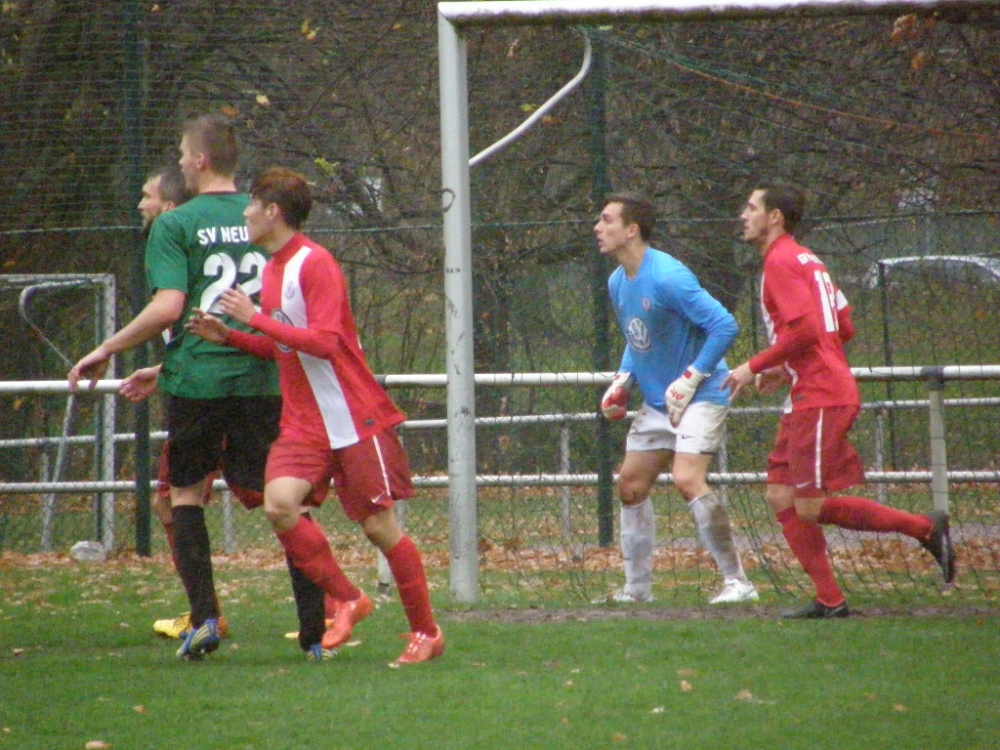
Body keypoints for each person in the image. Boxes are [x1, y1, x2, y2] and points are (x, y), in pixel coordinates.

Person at [69, 115, 329, 660]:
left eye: (184, 155)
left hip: (200, 383)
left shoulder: (176, 223)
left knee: (185, 494)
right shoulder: (265, 216)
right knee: (288, 502)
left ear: (200, 161)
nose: (181, 163)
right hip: (264, 378)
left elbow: (170, 306)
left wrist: (107, 349)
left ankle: (206, 619)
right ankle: (316, 632)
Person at [185, 166, 444, 665]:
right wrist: (234, 337)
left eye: (252, 204)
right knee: (280, 504)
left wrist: (253, 320)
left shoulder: (314, 262)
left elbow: (325, 343)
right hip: (305, 422)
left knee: (379, 529)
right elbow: (287, 347)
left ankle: (426, 633)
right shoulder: (273, 266)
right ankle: (348, 598)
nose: (245, 212)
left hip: (351, 415)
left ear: (273, 211)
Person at [724, 181, 955, 618]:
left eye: (752, 207)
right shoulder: (808, 259)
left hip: (820, 396)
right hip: (810, 390)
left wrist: (752, 366)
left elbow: (808, 330)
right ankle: (830, 600)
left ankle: (925, 529)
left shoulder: (779, 261)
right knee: (779, 494)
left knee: (808, 505)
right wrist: (784, 366)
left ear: (775, 217)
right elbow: (841, 326)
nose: (743, 214)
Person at [592, 192, 758, 605]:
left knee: (687, 479)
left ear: (631, 230)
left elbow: (724, 325)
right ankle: (637, 590)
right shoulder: (617, 282)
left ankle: (739, 583)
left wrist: (692, 376)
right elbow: (637, 337)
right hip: (657, 402)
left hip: (702, 394)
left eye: (607, 220)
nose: (598, 228)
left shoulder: (669, 276)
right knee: (630, 487)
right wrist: (623, 379)